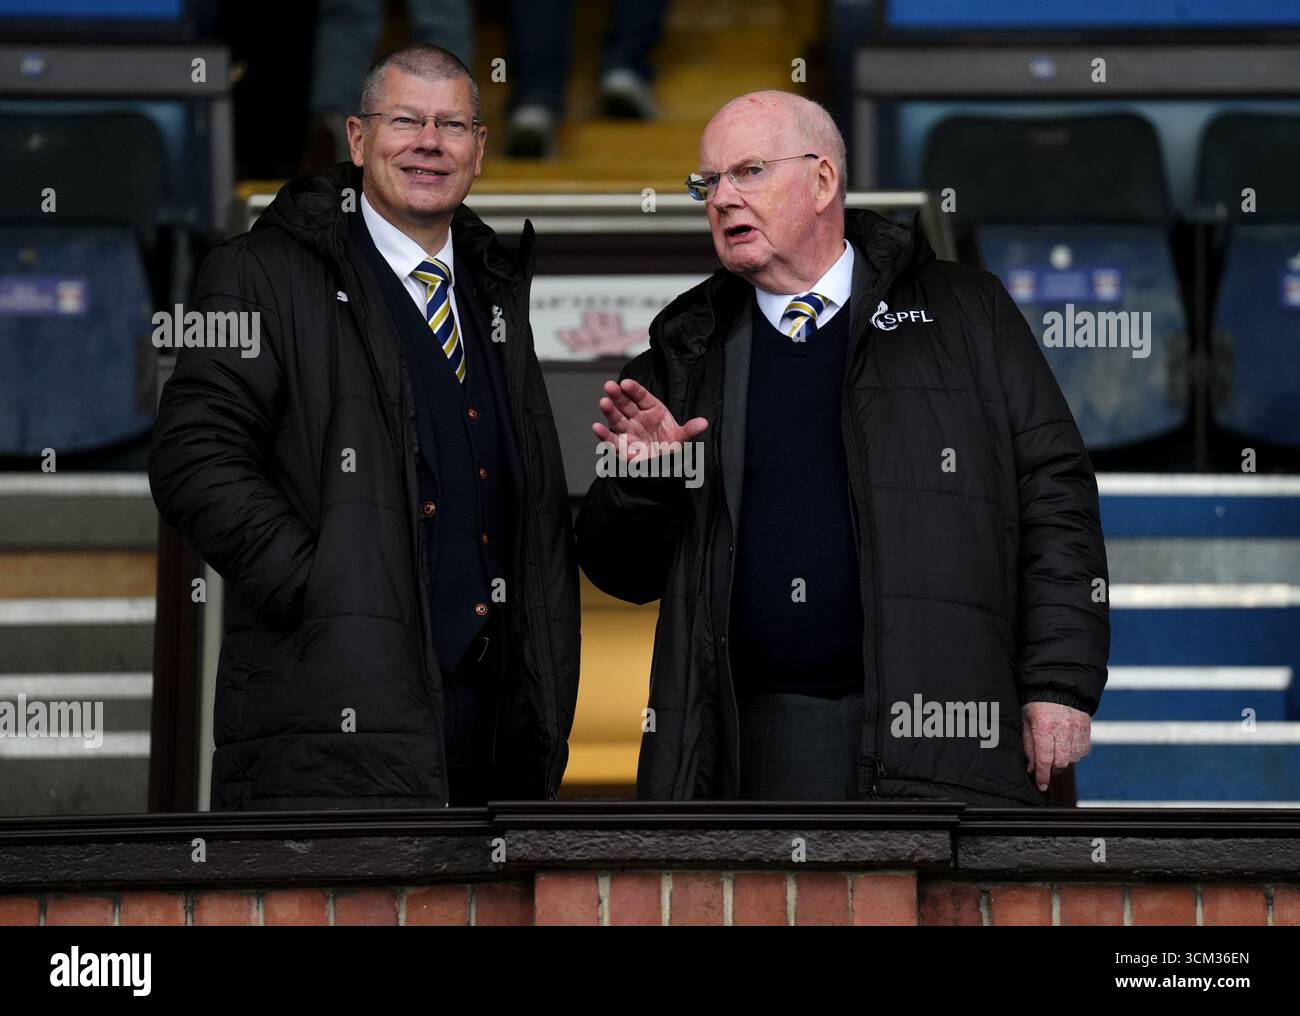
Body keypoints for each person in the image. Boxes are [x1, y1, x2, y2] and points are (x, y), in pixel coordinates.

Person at [575, 90, 1110, 805]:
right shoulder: (683, 351)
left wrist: (1058, 683)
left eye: (750, 172)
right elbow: (620, 572)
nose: (722, 198)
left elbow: (1056, 500)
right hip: (755, 748)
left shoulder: (966, 311)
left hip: (952, 739)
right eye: (708, 183)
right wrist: (646, 484)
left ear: (823, 180)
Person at [149, 44, 580, 810]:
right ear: (356, 138)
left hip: (487, 748)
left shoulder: (493, 290)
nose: (429, 142)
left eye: (451, 125)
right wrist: (321, 588)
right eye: (405, 120)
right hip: (330, 732)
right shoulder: (261, 271)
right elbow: (192, 455)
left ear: (479, 151)